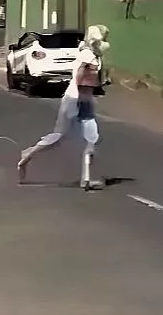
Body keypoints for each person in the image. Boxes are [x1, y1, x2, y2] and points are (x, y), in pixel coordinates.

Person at [16, 25, 109, 191]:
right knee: (60, 136)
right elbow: (80, 76)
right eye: (104, 38)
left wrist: (99, 84)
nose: (107, 42)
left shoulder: (93, 55)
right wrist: (88, 89)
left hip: (85, 100)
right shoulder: (87, 54)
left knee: (91, 138)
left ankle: (86, 180)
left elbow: (90, 78)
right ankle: (27, 155)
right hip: (75, 99)